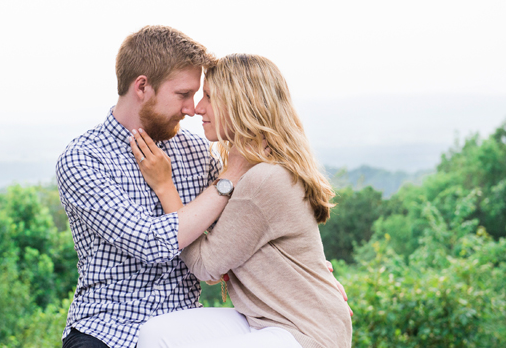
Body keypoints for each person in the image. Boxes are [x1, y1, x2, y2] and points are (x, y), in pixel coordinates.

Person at [56, 26, 259, 348]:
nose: (192, 108)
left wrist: (308, 277)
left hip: (184, 329)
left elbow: (230, 245)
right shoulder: (83, 159)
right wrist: (230, 177)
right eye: (182, 94)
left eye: (196, 95)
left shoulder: (195, 152)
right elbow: (150, 243)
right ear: (142, 87)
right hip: (107, 332)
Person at [132, 54, 352, 348]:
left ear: (240, 104)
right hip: (265, 319)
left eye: (209, 97)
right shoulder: (255, 168)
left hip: (305, 334)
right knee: (154, 334)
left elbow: (204, 265)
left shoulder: (264, 178)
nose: (198, 108)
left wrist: (164, 186)